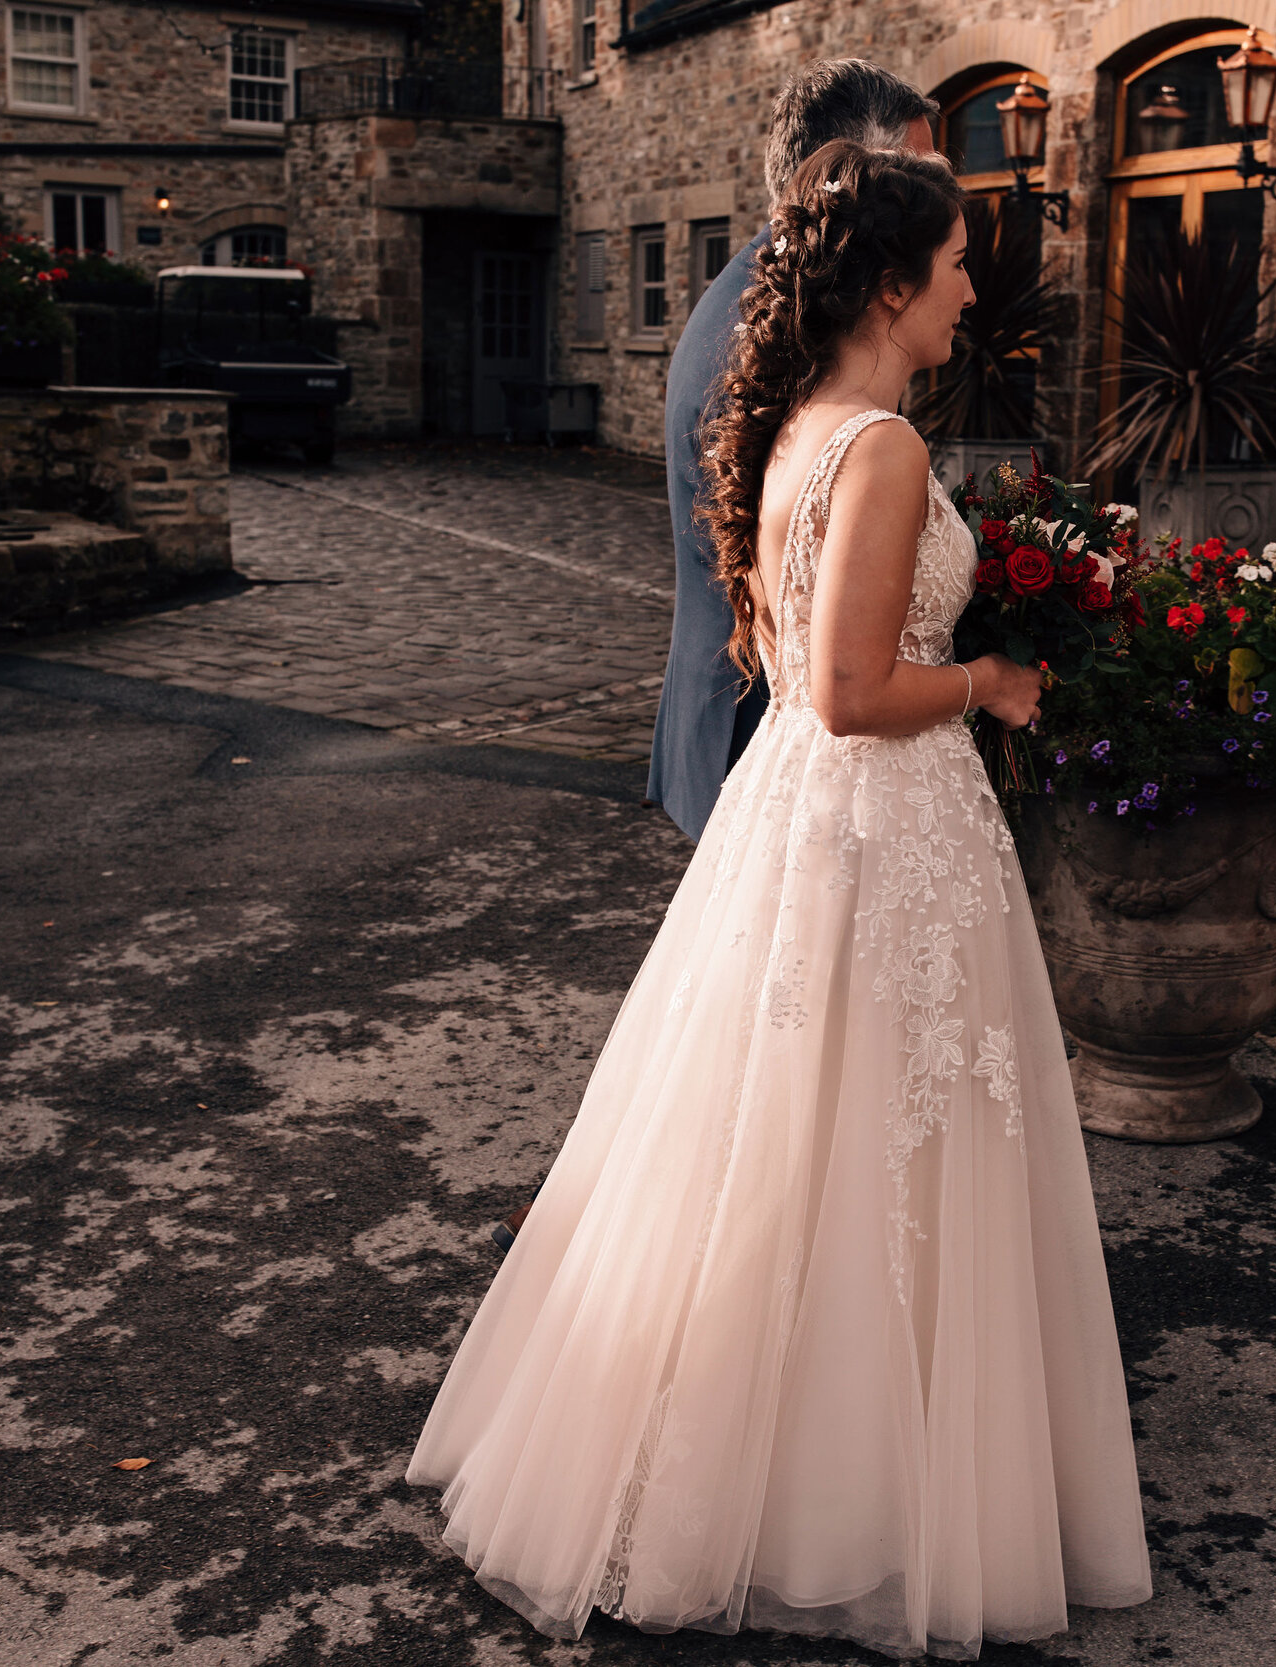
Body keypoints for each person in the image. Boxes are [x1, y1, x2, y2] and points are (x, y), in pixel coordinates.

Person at [407, 140, 1153, 1657]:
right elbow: (852, 685)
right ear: (891, 282)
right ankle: (850, 1488)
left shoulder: (801, 428)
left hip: (808, 819)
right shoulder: (878, 446)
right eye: (952, 268)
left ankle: (784, 1449)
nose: (966, 294)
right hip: (880, 818)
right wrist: (999, 676)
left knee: (788, 1138)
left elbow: (797, 667)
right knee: (872, 1132)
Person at [644, 59, 942, 843]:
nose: (935, 201)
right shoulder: (770, 334)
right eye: (918, 174)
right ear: (848, 175)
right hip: (754, 728)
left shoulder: (778, 297)